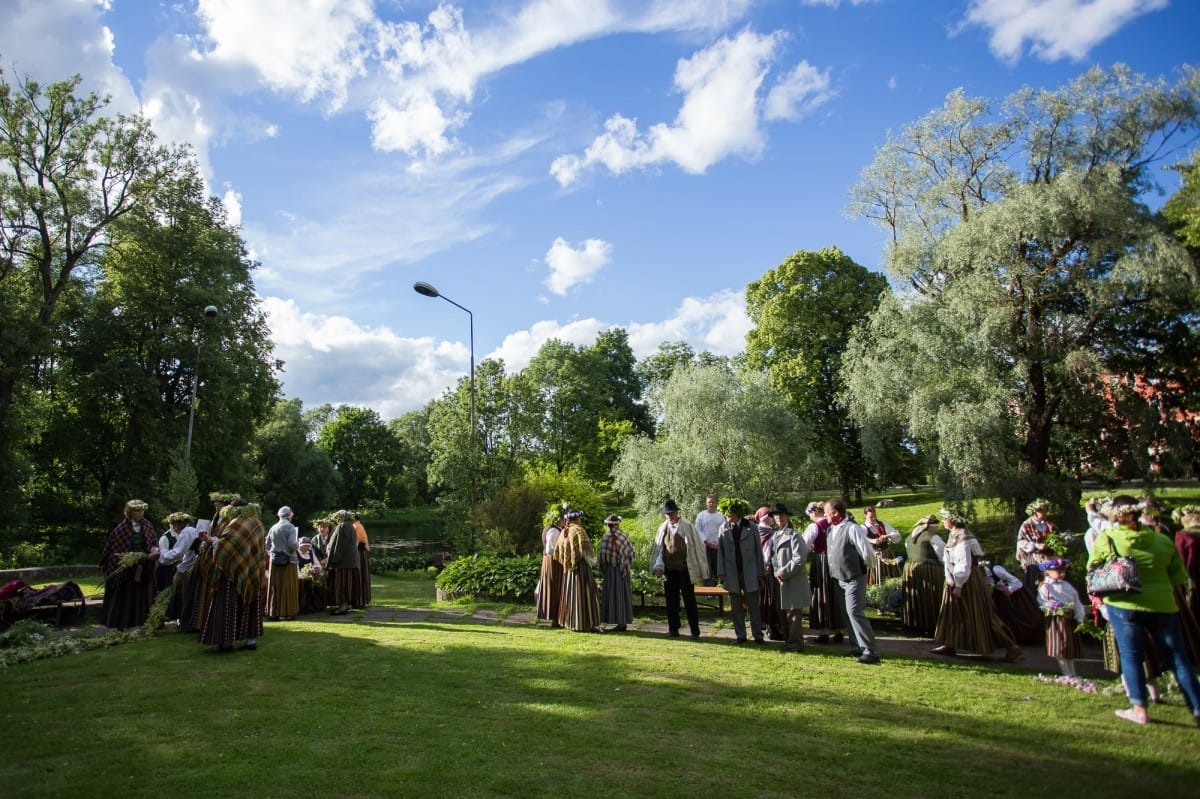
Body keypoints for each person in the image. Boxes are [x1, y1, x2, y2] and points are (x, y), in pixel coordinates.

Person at [1089, 497, 1200, 726]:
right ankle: (1197, 707)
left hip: (1123, 603)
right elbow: (1178, 576)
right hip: (1162, 604)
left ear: (1114, 514)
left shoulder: (1108, 539)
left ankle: (1139, 708)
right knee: (1178, 658)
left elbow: (1093, 567)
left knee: (1132, 655)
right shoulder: (1162, 541)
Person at [931, 508, 1023, 663]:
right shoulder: (954, 535)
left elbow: (964, 564)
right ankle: (950, 643)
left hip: (967, 582)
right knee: (953, 613)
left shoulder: (964, 538)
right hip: (955, 579)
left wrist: (959, 585)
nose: (943, 521)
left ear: (953, 520)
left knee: (981, 614)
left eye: (945, 518)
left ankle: (1011, 647)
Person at [199, 499, 265, 652]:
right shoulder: (257, 524)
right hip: (251, 571)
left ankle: (226, 642)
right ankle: (250, 640)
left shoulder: (235, 523)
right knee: (249, 604)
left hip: (231, 574)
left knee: (229, 604)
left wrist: (210, 541)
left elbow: (226, 546)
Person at [824, 499, 881, 664]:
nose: (825, 515)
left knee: (855, 612)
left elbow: (867, 552)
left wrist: (868, 570)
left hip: (854, 577)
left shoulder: (852, 528)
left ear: (835, 513)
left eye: (827, 512)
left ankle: (870, 651)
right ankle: (856, 647)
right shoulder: (831, 529)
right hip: (838, 578)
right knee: (847, 614)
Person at [650, 499, 709, 639]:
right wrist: (657, 566)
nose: (669, 516)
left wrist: (700, 568)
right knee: (671, 601)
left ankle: (695, 631)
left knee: (689, 600)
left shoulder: (688, 526)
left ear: (677, 512)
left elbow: (698, 548)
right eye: (667, 514)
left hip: (685, 570)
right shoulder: (663, 528)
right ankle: (673, 629)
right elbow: (658, 549)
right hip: (669, 570)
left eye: (671, 513)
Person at [98, 499, 160, 630]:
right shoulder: (121, 528)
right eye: (137, 511)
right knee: (126, 595)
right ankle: (123, 622)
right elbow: (111, 548)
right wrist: (106, 562)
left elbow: (154, 542)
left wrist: (154, 551)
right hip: (127, 566)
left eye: (142, 510)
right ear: (130, 512)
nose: (140, 513)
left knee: (143, 594)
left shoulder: (147, 525)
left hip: (144, 564)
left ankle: (143, 621)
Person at [717, 498, 767, 645]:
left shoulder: (751, 527)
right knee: (736, 605)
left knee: (753, 605)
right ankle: (740, 635)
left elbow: (759, 551)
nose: (728, 517)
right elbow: (721, 552)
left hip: (750, 571)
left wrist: (760, 572)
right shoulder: (723, 528)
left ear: (737, 514)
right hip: (732, 572)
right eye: (726, 514)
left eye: (730, 514)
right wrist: (721, 572)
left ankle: (758, 635)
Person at [770, 503, 811, 652]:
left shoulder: (794, 535)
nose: (778, 517)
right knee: (783, 613)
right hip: (780, 581)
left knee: (793, 614)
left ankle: (796, 644)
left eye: (781, 515)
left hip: (793, 580)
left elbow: (799, 559)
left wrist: (783, 572)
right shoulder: (775, 535)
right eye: (776, 515)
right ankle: (788, 641)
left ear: (787, 516)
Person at [803, 501, 845, 644]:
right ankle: (839, 629)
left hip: (821, 561)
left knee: (821, 592)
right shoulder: (834, 525)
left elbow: (803, 545)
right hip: (836, 560)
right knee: (836, 593)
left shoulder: (814, 527)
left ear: (813, 512)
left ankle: (824, 631)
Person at [553, 510, 602, 633]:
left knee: (571, 595)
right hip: (581, 569)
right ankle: (588, 624)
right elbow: (586, 552)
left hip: (569, 571)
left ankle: (571, 623)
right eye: (580, 518)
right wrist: (594, 562)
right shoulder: (579, 530)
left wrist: (567, 562)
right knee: (586, 595)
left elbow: (557, 552)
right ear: (578, 518)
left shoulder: (565, 531)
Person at [1036, 558, 1086, 677]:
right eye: (1059, 571)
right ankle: (1066, 673)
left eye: (1064, 571)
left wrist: (1080, 617)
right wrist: (1052, 606)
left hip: (1069, 619)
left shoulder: (1067, 585)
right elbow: (1042, 601)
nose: (1062, 574)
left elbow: (1076, 601)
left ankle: (1072, 672)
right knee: (1060, 646)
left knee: (1070, 647)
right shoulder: (1046, 587)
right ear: (1047, 571)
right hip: (1056, 620)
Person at [901, 514, 945, 637]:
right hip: (928, 570)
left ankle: (913, 624)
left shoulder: (909, 538)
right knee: (930, 596)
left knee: (915, 597)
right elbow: (943, 556)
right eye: (936, 527)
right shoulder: (933, 538)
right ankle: (931, 625)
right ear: (931, 527)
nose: (937, 529)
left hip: (910, 568)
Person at [983, 561, 1044, 646]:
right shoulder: (982, 577)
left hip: (1016, 594)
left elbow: (1017, 582)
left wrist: (1009, 589)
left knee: (1022, 614)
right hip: (1000, 597)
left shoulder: (996, 570)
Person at [157, 512, 199, 628]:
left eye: (178, 523)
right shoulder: (165, 537)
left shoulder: (187, 532)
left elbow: (181, 552)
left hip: (185, 567)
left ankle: (186, 623)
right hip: (168, 569)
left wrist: (179, 566)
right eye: (173, 523)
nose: (175, 526)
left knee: (185, 595)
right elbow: (166, 555)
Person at [598, 514, 636, 632]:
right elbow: (632, 554)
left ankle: (614, 620)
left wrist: (603, 569)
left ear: (608, 525)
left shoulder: (606, 537)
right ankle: (622, 622)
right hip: (623, 571)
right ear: (618, 524)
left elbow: (602, 557)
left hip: (611, 570)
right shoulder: (624, 536)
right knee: (622, 595)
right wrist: (625, 565)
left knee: (612, 595)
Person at [265, 506, 300, 621]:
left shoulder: (273, 527)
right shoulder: (290, 527)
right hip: (288, 561)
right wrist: (297, 546)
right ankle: (287, 612)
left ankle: (273, 611)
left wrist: (273, 553)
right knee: (287, 586)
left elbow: (267, 544)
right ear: (289, 516)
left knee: (275, 586)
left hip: (274, 561)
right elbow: (292, 544)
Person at [754, 506, 784, 640]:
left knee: (761, 597)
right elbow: (767, 551)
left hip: (757, 569)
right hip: (767, 569)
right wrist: (767, 564)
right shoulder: (769, 532)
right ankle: (771, 627)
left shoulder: (755, 530)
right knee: (770, 597)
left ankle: (762, 624)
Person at [325, 510, 360, 615]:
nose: (336, 519)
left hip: (344, 561)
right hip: (349, 560)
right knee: (347, 583)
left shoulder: (343, 526)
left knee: (342, 583)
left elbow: (339, 545)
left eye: (337, 517)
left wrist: (334, 559)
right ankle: (345, 604)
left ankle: (343, 606)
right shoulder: (350, 525)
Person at [536, 505, 566, 627]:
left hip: (553, 563)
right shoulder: (554, 531)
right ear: (560, 520)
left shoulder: (556, 530)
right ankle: (554, 618)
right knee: (554, 589)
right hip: (553, 564)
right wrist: (561, 557)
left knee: (556, 589)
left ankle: (556, 618)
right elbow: (549, 549)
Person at [1016, 498, 1056, 587]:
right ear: (1034, 512)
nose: (1045, 513)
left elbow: (1056, 536)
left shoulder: (1048, 523)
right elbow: (1020, 542)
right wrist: (1036, 545)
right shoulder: (1026, 525)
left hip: (1049, 556)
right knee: (1036, 582)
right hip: (1034, 558)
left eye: (1046, 510)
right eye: (1042, 511)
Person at [862, 506, 902, 586]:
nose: (873, 519)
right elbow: (861, 540)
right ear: (865, 516)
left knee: (891, 576)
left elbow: (897, 535)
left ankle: (894, 593)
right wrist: (872, 541)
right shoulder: (863, 528)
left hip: (886, 553)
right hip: (874, 555)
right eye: (871, 517)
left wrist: (887, 536)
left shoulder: (882, 524)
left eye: (875, 516)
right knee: (876, 578)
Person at [694, 494, 724, 587]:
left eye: (713, 502)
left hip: (718, 546)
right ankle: (709, 590)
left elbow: (724, 530)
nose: (711, 504)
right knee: (707, 568)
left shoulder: (721, 516)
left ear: (716, 503)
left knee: (718, 567)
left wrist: (719, 543)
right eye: (709, 502)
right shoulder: (701, 516)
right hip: (705, 546)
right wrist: (706, 541)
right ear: (706, 503)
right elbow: (697, 530)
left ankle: (720, 587)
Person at [296, 535, 327, 614]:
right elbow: (296, 569)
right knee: (305, 583)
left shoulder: (310, 552)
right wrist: (305, 575)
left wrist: (315, 569)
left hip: (311, 575)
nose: (306, 548)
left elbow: (317, 564)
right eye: (304, 546)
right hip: (300, 576)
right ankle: (303, 606)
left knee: (320, 580)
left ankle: (318, 605)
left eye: (308, 546)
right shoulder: (296, 553)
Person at [352, 511, 372, 607]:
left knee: (359, 575)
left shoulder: (356, 527)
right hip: (361, 552)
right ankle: (362, 600)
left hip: (359, 553)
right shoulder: (359, 525)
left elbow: (357, 542)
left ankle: (359, 600)